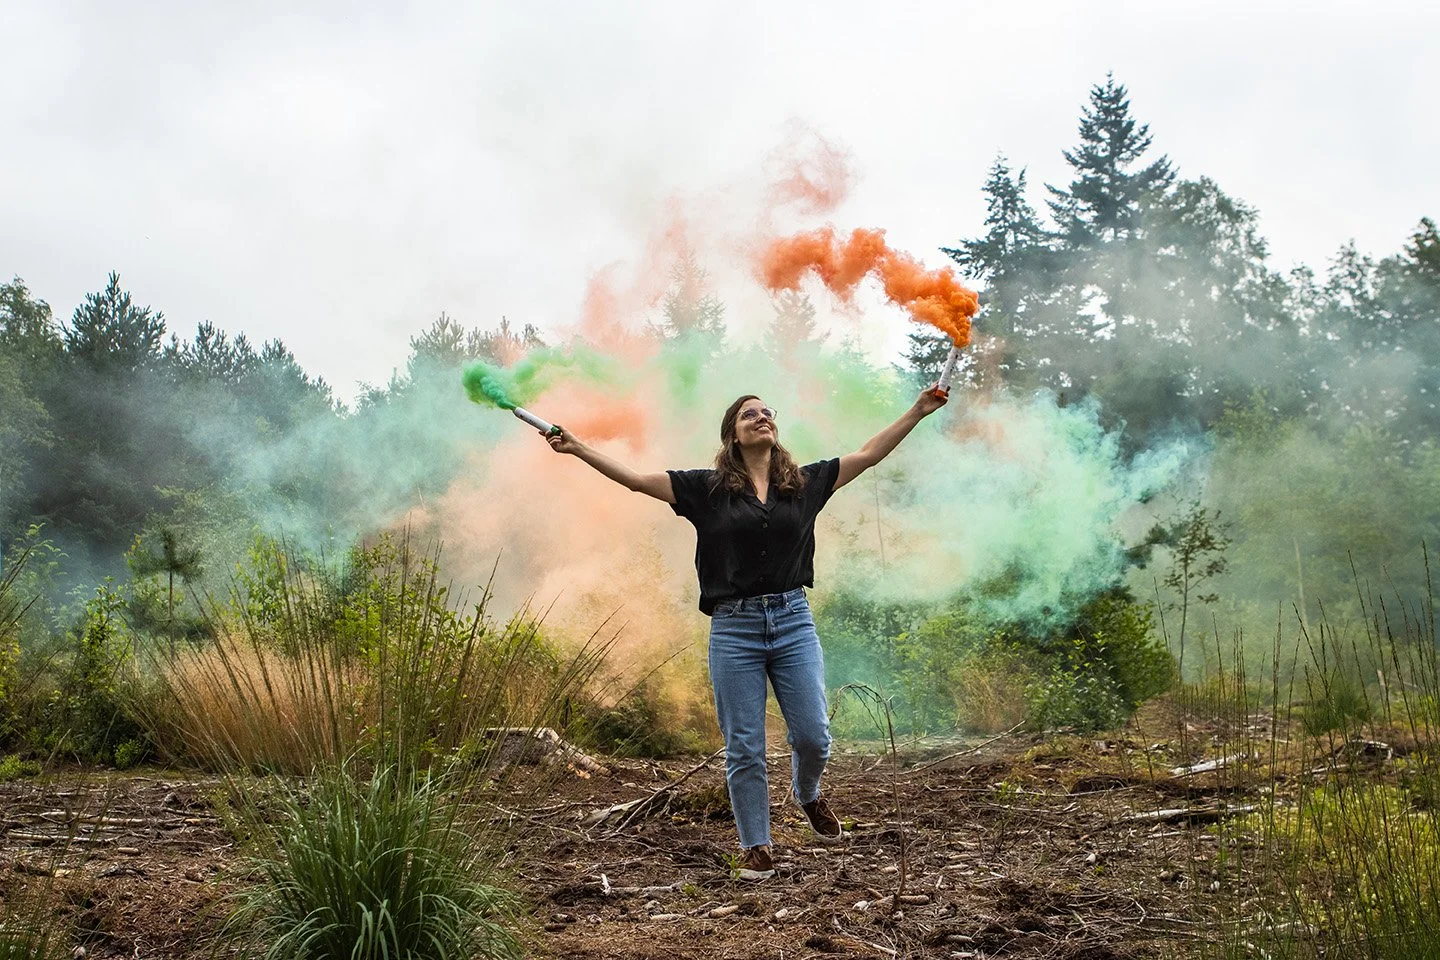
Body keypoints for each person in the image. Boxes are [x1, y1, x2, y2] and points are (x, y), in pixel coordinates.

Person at [543, 388, 948, 879]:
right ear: (732, 434)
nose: (761, 417)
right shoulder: (706, 489)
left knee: (814, 736)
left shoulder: (805, 483)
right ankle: (756, 845)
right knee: (744, 746)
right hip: (734, 629)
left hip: (793, 620)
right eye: (748, 414)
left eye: (767, 412)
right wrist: (579, 447)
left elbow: (867, 454)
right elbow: (635, 481)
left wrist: (919, 412)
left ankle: (808, 794)